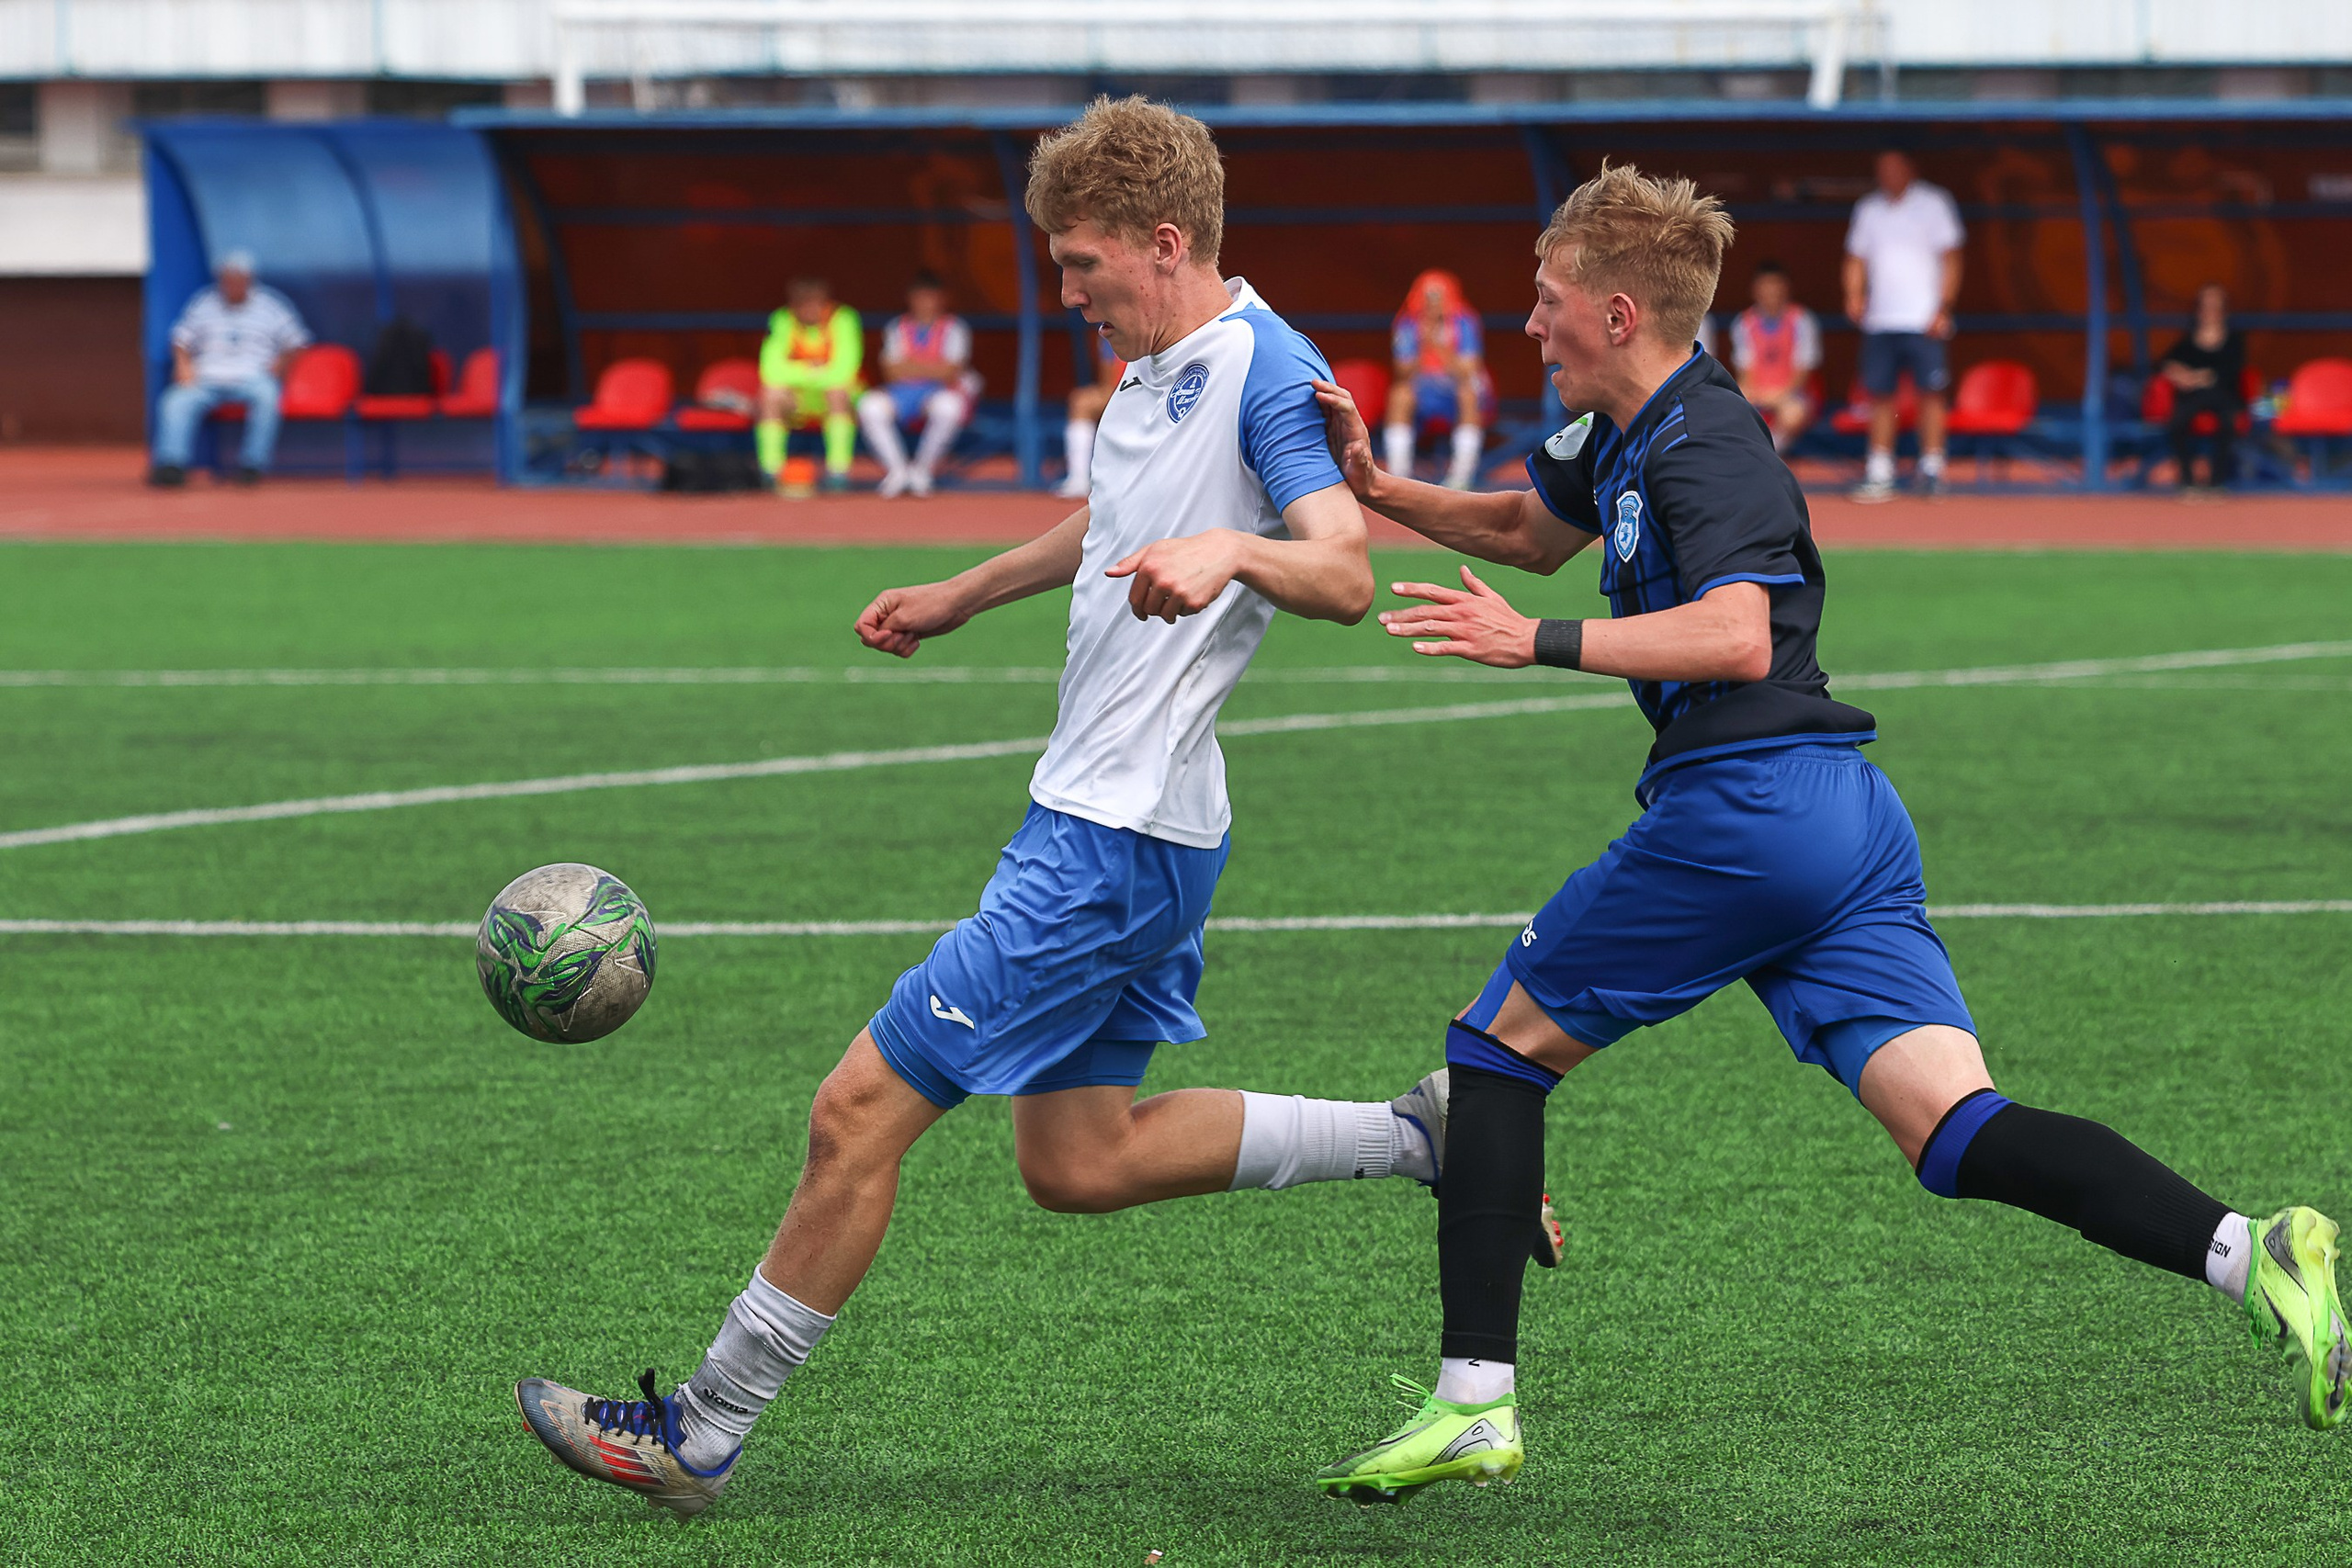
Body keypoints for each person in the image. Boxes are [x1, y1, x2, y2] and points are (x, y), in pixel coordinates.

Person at [514, 96, 1498, 1518]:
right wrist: (963, 592)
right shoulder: (1156, 365)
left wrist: (1233, 547)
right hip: (1140, 826)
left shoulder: (1267, 371)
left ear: (1166, 243)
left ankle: (702, 1427)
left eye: (1084, 262)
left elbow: (1342, 569)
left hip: (1108, 840)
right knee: (1080, 1158)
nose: (1067, 290)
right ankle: (1422, 1134)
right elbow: (1110, 523)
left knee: (856, 1107)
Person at [1306, 162, 2346, 1503]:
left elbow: (1737, 634)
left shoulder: (1708, 439)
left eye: (1548, 299)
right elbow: (1526, 526)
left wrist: (1539, 644)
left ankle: (1474, 1402)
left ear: (1621, 314)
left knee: (1492, 1052)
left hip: (1751, 809)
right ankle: (2249, 1247)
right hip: (1843, 821)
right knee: (1955, 1130)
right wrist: (1379, 487)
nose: (1530, 324)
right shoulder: (1618, 432)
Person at [1844, 151, 1963, 501]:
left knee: (1932, 394)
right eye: (1882, 169)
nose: (1888, 175)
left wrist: (1943, 307)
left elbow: (1952, 258)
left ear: (1910, 169)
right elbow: (1855, 257)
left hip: (1924, 319)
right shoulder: (1868, 209)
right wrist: (1853, 294)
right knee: (1879, 395)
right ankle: (1880, 470)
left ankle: (1932, 469)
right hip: (1881, 320)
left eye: (1894, 168)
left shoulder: (1934, 203)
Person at [148, 250, 311, 488]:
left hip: (253, 377)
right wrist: (183, 365)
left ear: (250, 280)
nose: (232, 285)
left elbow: (298, 341)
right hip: (206, 378)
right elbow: (180, 339)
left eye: (238, 280)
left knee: (268, 397)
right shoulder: (204, 303)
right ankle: (171, 465)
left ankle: (252, 466)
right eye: (227, 279)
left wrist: (280, 364)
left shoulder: (271, 305)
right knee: (175, 401)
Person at [854, 271, 982, 499]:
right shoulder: (897, 326)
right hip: (903, 393)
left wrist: (911, 366)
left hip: (938, 392)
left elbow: (951, 372)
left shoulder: (954, 328)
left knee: (948, 408)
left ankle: (922, 470)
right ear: (911, 299)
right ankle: (898, 471)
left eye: (930, 297)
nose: (925, 303)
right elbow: (891, 372)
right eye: (920, 297)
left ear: (942, 298)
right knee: (869, 405)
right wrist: (931, 367)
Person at [1384, 269, 1495, 491]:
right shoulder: (1408, 323)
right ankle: (1399, 475)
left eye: (1438, 297)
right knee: (1399, 395)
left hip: (1456, 390)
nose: (1433, 304)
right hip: (1423, 389)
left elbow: (1467, 371)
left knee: (1468, 393)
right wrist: (1423, 342)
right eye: (1428, 297)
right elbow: (1402, 371)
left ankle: (1461, 476)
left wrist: (1440, 346)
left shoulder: (1464, 322)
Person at [757, 277, 863, 493]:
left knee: (837, 393)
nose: (810, 309)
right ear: (793, 306)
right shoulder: (782, 320)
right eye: (803, 304)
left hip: (837, 398)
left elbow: (844, 371)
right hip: (798, 399)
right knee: (771, 396)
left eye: (815, 303)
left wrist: (797, 371)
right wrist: (814, 370)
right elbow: (770, 370)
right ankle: (771, 471)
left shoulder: (844, 319)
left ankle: (838, 471)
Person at [2159, 284, 2246, 495]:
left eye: (2216, 307)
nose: (2210, 312)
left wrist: (2199, 377)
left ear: (2224, 312)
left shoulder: (2235, 340)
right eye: (2206, 307)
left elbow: (2229, 371)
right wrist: (2177, 372)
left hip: (2224, 396)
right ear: (2198, 311)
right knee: (2177, 423)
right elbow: (2165, 362)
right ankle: (2188, 481)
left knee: (2227, 423)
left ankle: (2216, 482)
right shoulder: (2188, 340)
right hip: (2192, 397)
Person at [1728, 260, 1821, 453]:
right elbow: (1745, 372)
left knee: (1792, 413)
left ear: (1786, 288)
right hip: (1759, 391)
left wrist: (1779, 395)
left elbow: (1803, 373)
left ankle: (1770, 451)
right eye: (1766, 286)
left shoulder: (1802, 320)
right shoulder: (1743, 323)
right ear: (1755, 290)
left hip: (1792, 394)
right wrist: (1754, 395)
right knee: (1733, 407)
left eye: (1776, 285)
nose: (1771, 292)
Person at [1058, 333, 1125, 499]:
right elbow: (1107, 381)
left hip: (1155, 394)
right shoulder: (1108, 331)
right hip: (1121, 391)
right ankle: (1079, 478)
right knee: (1081, 401)